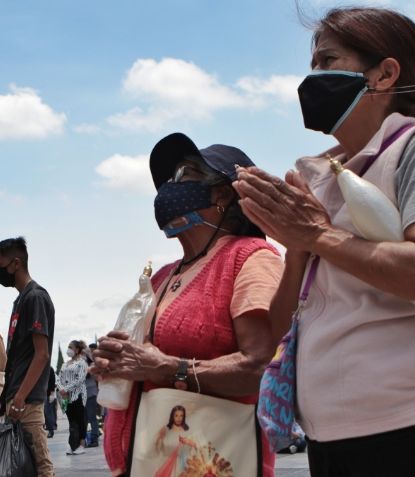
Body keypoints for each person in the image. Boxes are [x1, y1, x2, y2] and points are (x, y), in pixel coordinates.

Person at [233, 7, 415, 475]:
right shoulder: (321, 176)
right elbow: (277, 330)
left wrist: (316, 234)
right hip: (331, 440)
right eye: (313, 65)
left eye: (328, 61)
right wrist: (299, 245)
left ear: (384, 74)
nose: (313, 78)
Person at [93, 132, 283, 476]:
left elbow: (262, 369)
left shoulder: (251, 258)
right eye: (169, 180)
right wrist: (118, 363)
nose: (169, 188)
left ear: (223, 193)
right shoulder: (162, 276)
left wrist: (168, 369)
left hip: (211, 458)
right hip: (146, 458)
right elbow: (143, 361)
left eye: (184, 176)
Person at [0, 236, 55, 477]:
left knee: (40, 465)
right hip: (17, 396)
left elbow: (42, 355)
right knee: (20, 464)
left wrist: (19, 398)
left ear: (16, 263)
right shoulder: (21, 299)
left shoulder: (35, 297)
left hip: (26, 400)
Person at [58, 340, 89, 455]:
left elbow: (80, 379)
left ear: (77, 350)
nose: (68, 349)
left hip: (78, 395)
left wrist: (66, 389)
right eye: (68, 347)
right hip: (66, 397)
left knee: (81, 420)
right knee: (71, 421)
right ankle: (73, 444)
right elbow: (59, 378)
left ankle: (81, 444)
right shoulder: (65, 364)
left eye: (71, 347)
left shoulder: (82, 363)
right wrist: (61, 389)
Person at [84, 342, 100, 447]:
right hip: (87, 394)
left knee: (92, 417)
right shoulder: (89, 364)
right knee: (88, 418)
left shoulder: (91, 366)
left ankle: (94, 439)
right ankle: (90, 437)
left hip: (91, 394)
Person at [44, 365, 58, 438]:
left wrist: (52, 393)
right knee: (43, 414)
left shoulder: (50, 369)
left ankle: (50, 430)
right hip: (41, 394)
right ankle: (45, 429)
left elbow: (52, 382)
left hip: (47, 394)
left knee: (47, 413)